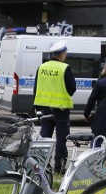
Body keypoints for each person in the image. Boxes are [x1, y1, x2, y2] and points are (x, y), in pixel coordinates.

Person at [33, 40, 76, 174]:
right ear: (62, 54)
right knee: (61, 139)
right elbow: (72, 88)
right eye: (65, 53)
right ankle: (59, 168)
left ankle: (42, 166)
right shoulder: (64, 68)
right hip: (61, 110)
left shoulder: (42, 67)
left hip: (45, 109)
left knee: (45, 138)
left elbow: (36, 88)